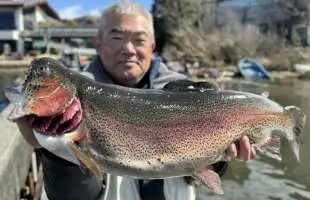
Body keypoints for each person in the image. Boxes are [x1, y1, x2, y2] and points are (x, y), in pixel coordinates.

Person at [15, 2, 256, 200]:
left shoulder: (185, 92)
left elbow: (193, 176)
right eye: (117, 37)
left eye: (139, 39)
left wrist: (219, 158)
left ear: (153, 46)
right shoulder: (72, 99)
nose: (128, 49)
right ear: (97, 44)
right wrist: (57, 151)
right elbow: (72, 197)